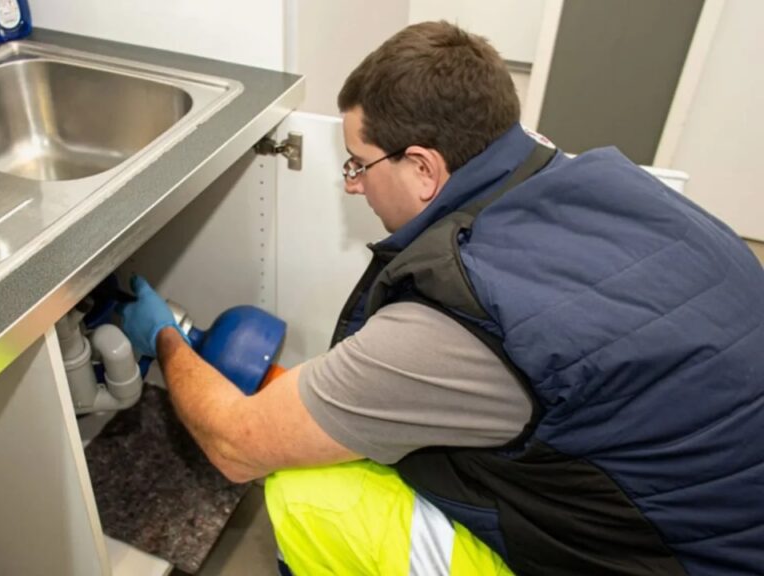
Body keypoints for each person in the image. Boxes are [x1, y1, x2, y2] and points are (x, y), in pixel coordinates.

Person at [118, 20, 764, 576]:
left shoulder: (465, 311)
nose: (352, 186)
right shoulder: (617, 185)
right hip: (721, 518)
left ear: (424, 168)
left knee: (305, 490)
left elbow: (236, 445)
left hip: (668, 562)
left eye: (358, 164)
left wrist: (165, 339)